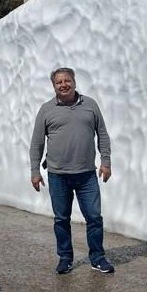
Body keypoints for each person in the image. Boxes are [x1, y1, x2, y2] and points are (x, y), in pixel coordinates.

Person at [29, 67, 114, 274]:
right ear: (54, 86)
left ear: (74, 82)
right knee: (61, 219)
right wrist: (35, 171)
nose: (64, 85)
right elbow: (37, 143)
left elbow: (102, 134)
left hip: (86, 175)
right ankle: (65, 258)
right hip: (58, 175)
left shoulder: (90, 105)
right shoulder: (47, 109)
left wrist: (106, 162)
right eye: (59, 82)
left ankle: (97, 257)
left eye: (67, 80)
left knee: (94, 217)